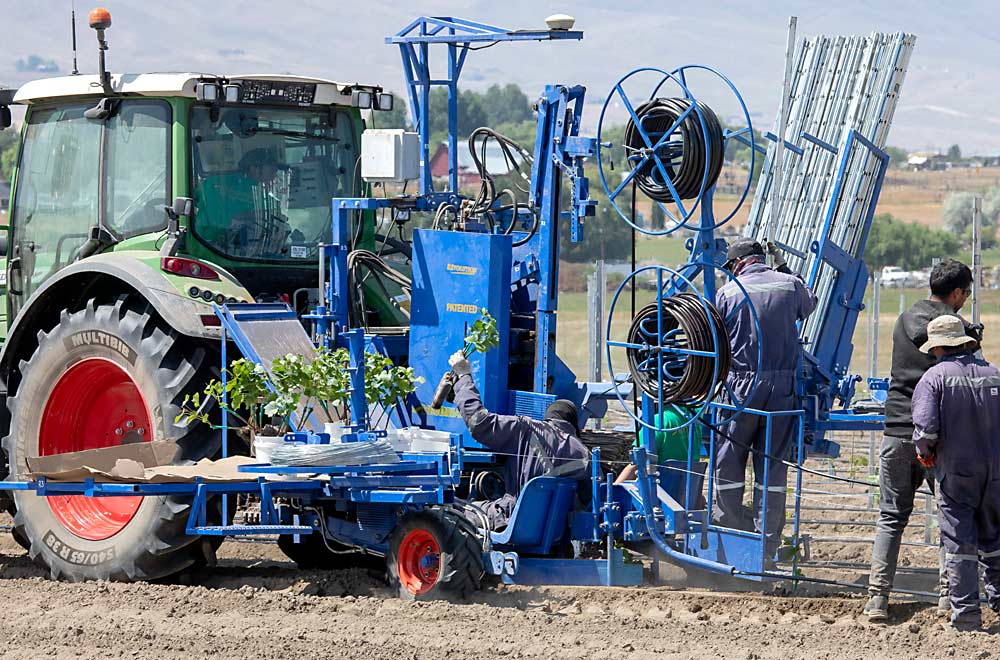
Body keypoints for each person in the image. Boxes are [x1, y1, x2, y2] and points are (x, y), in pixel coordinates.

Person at [863, 259, 975, 621]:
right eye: (966, 294)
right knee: (950, 516)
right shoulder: (954, 330)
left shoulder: (904, 318)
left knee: (891, 517)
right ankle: (948, 597)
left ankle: (877, 599)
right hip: (940, 440)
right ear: (957, 293)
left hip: (896, 430)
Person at [711, 238, 817, 563]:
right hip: (781, 389)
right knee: (771, 469)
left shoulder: (728, 293)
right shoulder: (789, 286)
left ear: (738, 264)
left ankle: (728, 538)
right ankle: (765, 547)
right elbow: (809, 303)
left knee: (729, 462)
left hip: (740, 389)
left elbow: (715, 339)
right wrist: (783, 264)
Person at [910, 315, 1000, 631]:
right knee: (996, 540)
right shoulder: (995, 374)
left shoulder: (934, 379)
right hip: (997, 474)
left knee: (960, 545)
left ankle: (967, 618)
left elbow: (925, 430)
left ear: (937, 348)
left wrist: (926, 455)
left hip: (957, 474)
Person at [448, 351, 590, 528]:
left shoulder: (526, 428)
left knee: (449, 509)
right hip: (553, 530)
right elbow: (586, 501)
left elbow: (479, 423)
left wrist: (463, 377)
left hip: (509, 519)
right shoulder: (584, 455)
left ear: (549, 419)